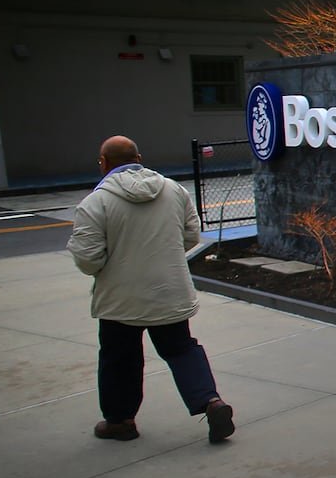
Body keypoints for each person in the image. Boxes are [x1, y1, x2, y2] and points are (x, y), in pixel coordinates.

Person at [67, 135, 234, 443]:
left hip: (121, 298)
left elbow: (88, 258)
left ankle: (121, 421)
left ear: (103, 164)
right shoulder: (174, 191)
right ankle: (212, 402)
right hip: (168, 290)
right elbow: (190, 235)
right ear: (139, 158)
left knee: (120, 358)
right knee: (181, 348)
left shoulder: (95, 203)